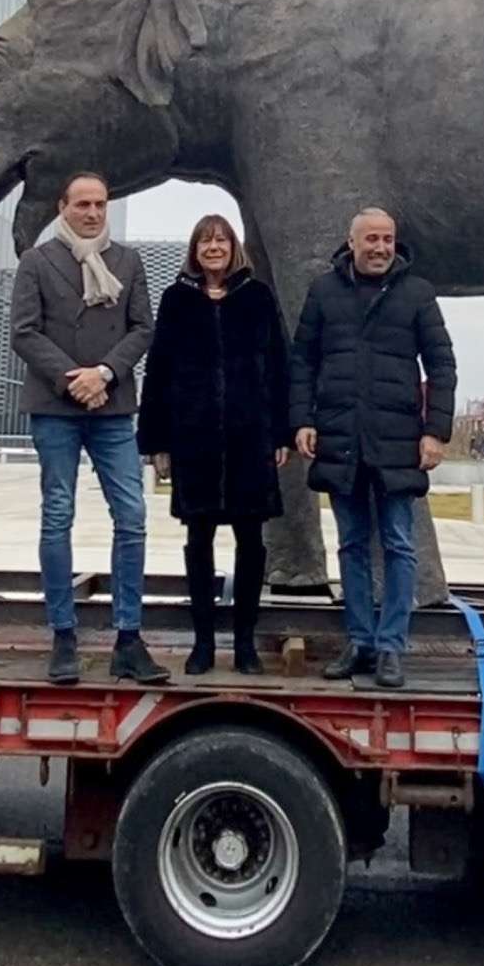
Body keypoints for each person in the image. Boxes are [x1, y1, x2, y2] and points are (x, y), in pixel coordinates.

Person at [11, 172, 168, 686]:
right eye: (83, 204)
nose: (93, 212)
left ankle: (129, 637)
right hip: (57, 406)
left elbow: (142, 327)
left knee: (133, 514)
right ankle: (63, 635)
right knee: (58, 514)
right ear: (63, 206)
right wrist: (70, 378)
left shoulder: (127, 260)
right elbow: (24, 331)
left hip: (112, 403)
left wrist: (103, 373)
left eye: (100, 204)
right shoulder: (37, 261)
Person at [291, 207, 457, 689]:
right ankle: (361, 641)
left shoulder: (417, 294)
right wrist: (302, 419)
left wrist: (435, 431)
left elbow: (441, 366)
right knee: (351, 544)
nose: (381, 247)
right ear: (352, 241)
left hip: (397, 440)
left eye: (387, 239)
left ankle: (391, 648)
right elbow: (302, 361)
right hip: (341, 437)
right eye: (372, 239)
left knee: (400, 545)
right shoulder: (324, 291)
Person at [137, 215, 291, 676]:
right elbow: (158, 372)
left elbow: (280, 369)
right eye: (205, 240)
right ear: (195, 250)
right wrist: (157, 442)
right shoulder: (177, 300)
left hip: (250, 440)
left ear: (233, 247)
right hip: (195, 440)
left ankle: (245, 643)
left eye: (221, 239)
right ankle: (203, 642)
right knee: (198, 539)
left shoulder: (259, 298)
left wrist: (281, 432)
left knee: (251, 540)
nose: (214, 247)